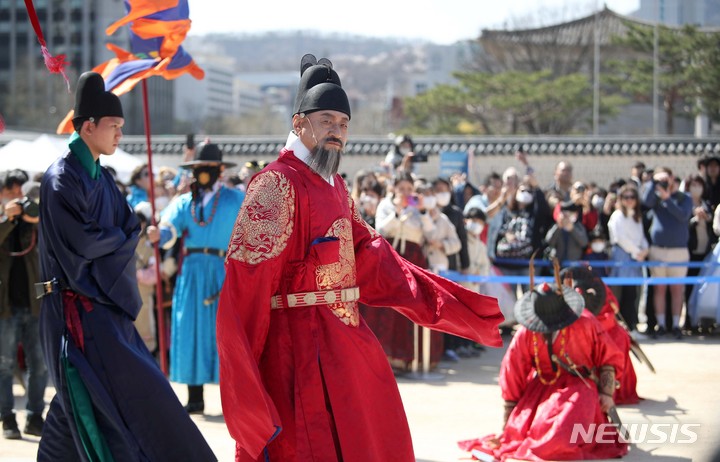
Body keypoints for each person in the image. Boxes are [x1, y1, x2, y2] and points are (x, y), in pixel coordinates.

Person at [216, 54, 503, 462]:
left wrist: (454, 308)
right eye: (327, 120)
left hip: (343, 340)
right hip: (293, 350)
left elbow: (377, 261)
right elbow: (244, 290)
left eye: (344, 124)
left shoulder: (335, 188)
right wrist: (246, 383)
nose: (337, 131)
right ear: (299, 123)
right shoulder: (276, 184)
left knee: (372, 434)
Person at [36, 71, 216, 461]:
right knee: (92, 398)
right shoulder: (60, 179)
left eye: (121, 126)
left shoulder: (101, 179)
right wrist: (121, 238)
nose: (120, 134)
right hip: (72, 308)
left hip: (99, 305)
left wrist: (121, 236)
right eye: (114, 126)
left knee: (89, 403)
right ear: (88, 127)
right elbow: (84, 242)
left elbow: (126, 227)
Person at [458, 266, 627, 461]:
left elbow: (608, 358)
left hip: (580, 387)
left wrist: (606, 394)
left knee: (561, 437)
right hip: (541, 387)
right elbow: (513, 371)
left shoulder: (586, 322)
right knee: (522, 434)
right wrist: (508, 423)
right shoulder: (526, 332)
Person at [157, 142, 245, 414]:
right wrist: (156, 234)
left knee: (224, 332)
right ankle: (194, 397)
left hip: (223, 269)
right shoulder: (185, 202)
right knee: (190, 327)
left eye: (208, 168)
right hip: (192, 272)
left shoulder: (235, 198)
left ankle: (234, 399)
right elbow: (168, 229)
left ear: (219, 170)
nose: (203, 173)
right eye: (198, 168)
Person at [0, 169, 47, 439]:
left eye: (21, 190)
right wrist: (8, 218)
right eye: (12, 190)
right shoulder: (3, 218)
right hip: (5, 304)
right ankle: (7, 419)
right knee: (4, 364)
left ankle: (34, 416)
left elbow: (50, 236)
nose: (18, 196)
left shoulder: (35, 219)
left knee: (39, 365)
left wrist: (32, 219)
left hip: (35, 302)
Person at [641, 167, 693, 339]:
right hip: (658, 250)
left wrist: (668, 199)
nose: (663, 182)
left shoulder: (684, 198)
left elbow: (683, 216)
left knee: (677, 289)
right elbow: (645, 202)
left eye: (665, 179)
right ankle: (661, 324)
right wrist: (652, 184)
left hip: (679, 251)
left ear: (672, 179)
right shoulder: (655, 198)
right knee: (659, 289)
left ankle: (676, 325)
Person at [607, 184, 649, 335]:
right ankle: (621, 327)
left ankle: (631, 325)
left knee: (633, 293)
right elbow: (620, 238)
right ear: (621, 199)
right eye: (626, 197)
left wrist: (645, 250)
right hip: (622, 257)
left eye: (633, 197)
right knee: (620, 293)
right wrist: (637, 252)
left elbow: (642, 236)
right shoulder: (617, 215)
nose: (630, 200)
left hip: (635, 259)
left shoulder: (636, 216)